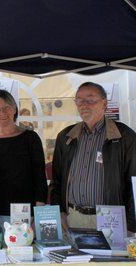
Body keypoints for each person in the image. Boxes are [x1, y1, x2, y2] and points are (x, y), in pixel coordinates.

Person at [50, 81, 136, 232]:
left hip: (111, 220)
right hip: (73, 218)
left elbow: (133, 183)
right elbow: (56, 181)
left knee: (110, 257)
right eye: (79, 100)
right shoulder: (65, 137)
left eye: (90, 100)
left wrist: (130, 226)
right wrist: (60, 211)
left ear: (104, 104)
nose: (83, 105)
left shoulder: (125, 136)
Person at [0, 90, 47, 228]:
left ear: (14, 109)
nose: (2, 113)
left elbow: (40, 179)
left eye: (6, 107)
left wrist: (38, 216)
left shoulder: (30, 138)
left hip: (23, 214)